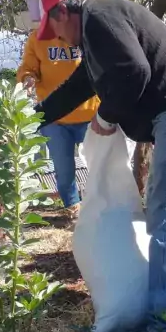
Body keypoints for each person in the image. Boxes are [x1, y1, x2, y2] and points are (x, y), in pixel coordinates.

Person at [33, 0, 166, 332]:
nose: (57, 39)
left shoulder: (99, 17)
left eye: (52, 29)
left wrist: (107, 115)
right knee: (164, 216)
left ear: (63, 12)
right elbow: (80, 85)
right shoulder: (96, 29)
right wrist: (32, 118)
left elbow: (134, 72)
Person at [17, 22, 99, 215]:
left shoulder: (84, 33)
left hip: (90, 114)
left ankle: (100, 207)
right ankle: (73, 210)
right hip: (55, 119)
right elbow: (27, 68)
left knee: (100, 164)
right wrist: (28, 78)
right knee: (64, 171)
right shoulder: (37, 39)